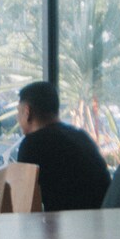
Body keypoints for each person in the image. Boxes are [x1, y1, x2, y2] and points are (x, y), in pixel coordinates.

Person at [16, 80, 111, 212]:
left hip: (65, 228)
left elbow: (23, 202)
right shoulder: (81, 137)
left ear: (27, 112)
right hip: (99, 223)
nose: (17, 118)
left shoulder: (32, 145)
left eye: (18, 112)